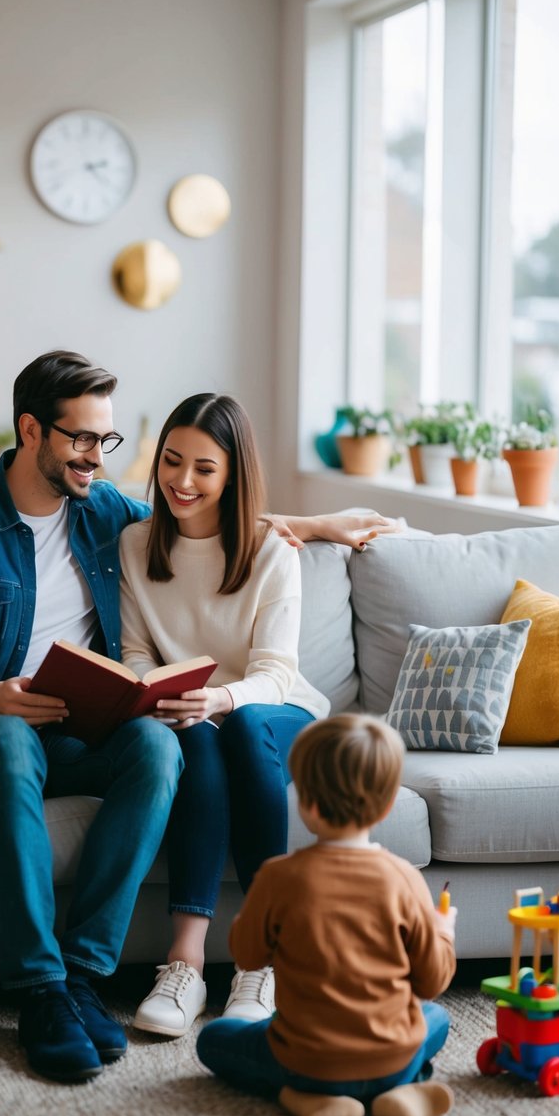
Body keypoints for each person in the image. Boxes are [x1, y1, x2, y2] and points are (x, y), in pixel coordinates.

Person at [0, 350, 400, 1084]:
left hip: (77, 725)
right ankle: (38, 991)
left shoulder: (101, 511)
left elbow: (204, 513)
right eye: (81, 439)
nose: (97, 458)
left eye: (106, 441)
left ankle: (81, 978)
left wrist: (317, 525)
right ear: (31, 431)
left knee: (159, 749)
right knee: (8, 743)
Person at [119, 394, 326, 1037]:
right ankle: (184, 966)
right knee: (201, 744)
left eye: (204, 469)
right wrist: (153, 694)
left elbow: (275, 673)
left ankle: (259, 964)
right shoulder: (134, 544)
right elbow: (134, 654)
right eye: (172, 463)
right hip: (191, 714)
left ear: (233, 474)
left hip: (274, 709)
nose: (182, 482)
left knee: (230, 726)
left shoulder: (272, 551)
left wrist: (220, 698)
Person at [196, 714, 457, 1116]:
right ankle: (403, 1087)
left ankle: (300, 1094)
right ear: (387, 805)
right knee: (435, 1018)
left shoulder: (278, 877)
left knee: (215, 1039)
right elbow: (431, 981)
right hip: (392, 1057)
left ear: (305, 802)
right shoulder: (405, 878)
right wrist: (442, 932)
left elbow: (247, 955)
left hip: (306, 1062)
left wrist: (256, 916)